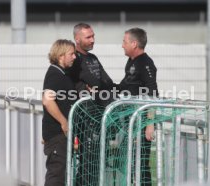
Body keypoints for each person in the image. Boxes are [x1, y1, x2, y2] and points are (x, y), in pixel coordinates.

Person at [68, 23, 115, 186]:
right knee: (87, 160)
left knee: (99, 159)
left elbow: (106, 81)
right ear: (77, 39)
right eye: (88, 37)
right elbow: (90, 81)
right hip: (85, 118)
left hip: (99, 115)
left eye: (93, 36)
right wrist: (94, 84)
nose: (93, 40)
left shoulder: (93, 58)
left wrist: (100, 86)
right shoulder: (74, 58)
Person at [119, 27, 159, 186]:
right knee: (129, 162)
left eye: (124, 41)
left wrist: (150, 124)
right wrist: (101, 90)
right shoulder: (131, 62)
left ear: (134, 44)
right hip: (130, 120)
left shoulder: (146, 63)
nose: (122, 45)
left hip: (141, 121)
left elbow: (152, 93)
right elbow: (123, 86)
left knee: (141, 163)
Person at [42, 39, 76, 186]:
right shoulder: (55, 74)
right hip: (57, 134)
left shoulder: (63, 74)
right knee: (56, 176)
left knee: (62, 175)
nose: (74, 57)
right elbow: (48, 101)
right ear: (61, 55)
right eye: (72, 54)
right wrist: (64, 123)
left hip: (59, 135)